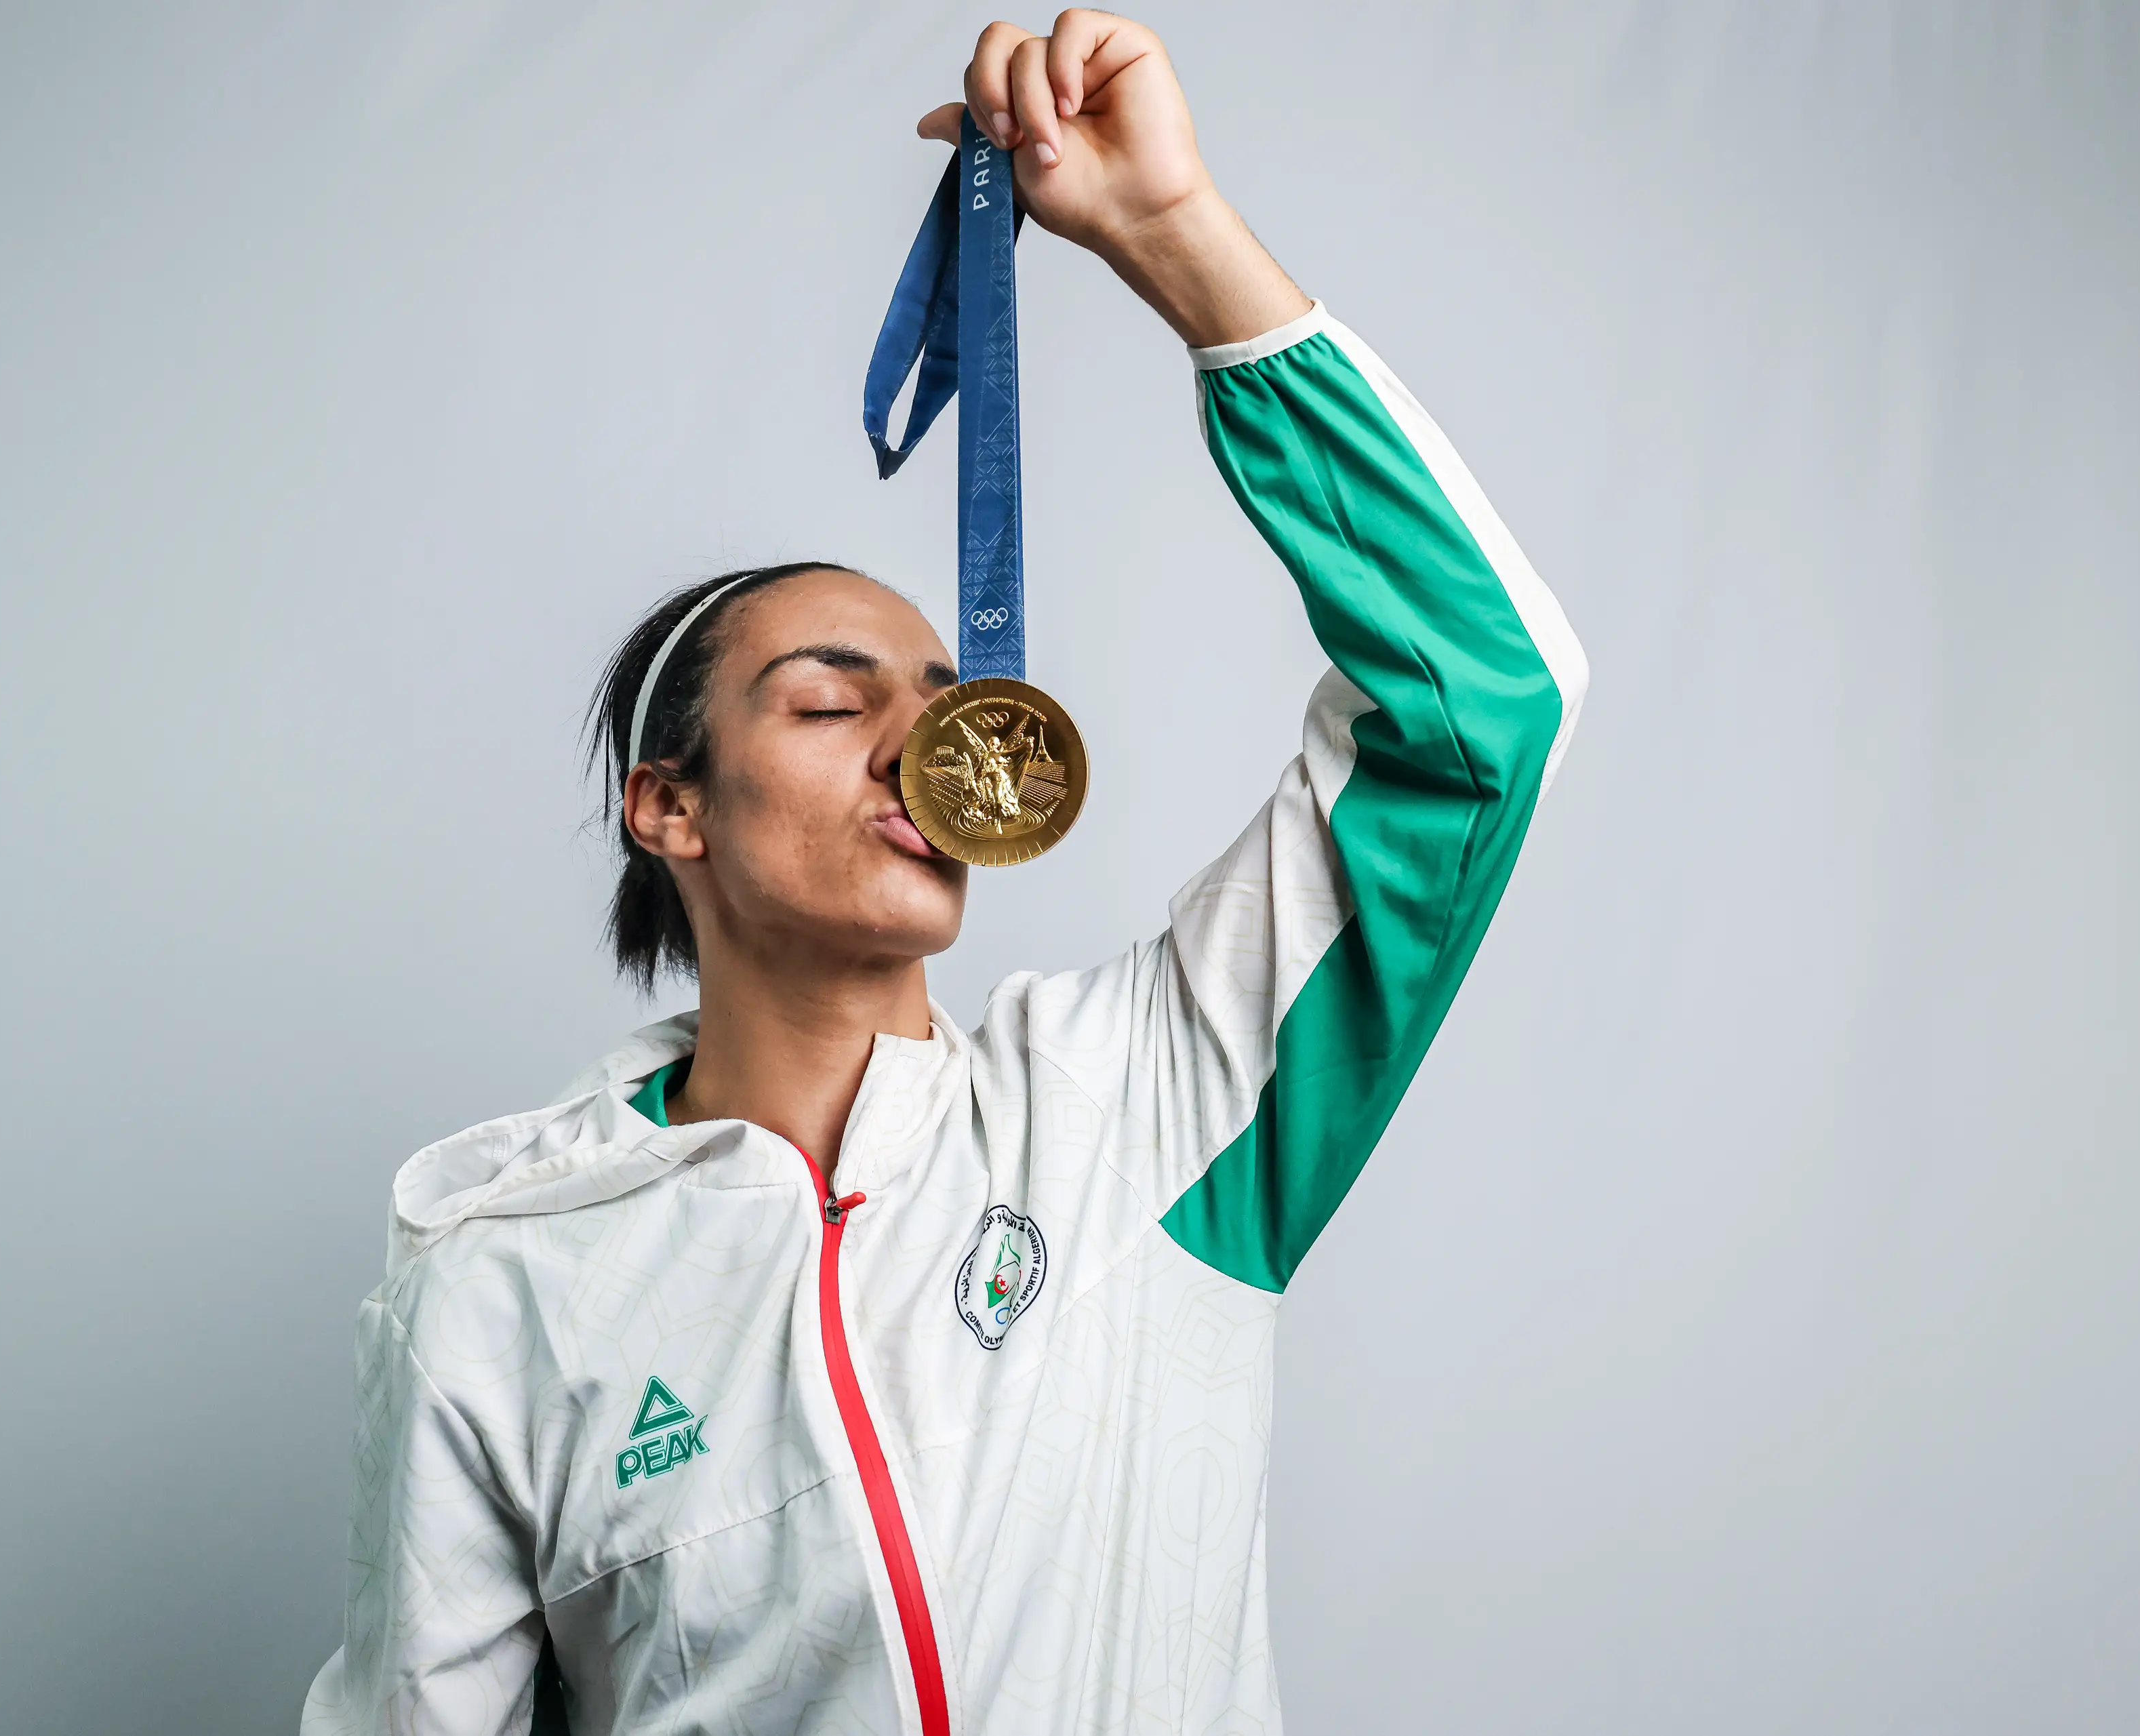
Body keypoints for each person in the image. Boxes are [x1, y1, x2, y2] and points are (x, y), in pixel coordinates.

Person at [301, 11, 1586, 1733]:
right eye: (833, 700)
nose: (926, 748)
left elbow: (1481, 699)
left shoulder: (1150, 1097)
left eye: (947, 699)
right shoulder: (504, 1283)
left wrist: (1169, 236)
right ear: (669, 807)